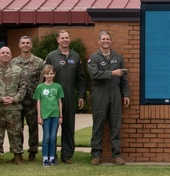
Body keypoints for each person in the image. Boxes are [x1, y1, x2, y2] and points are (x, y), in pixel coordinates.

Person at [44, 30, 87, 164]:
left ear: (69, 39)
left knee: (68, 126)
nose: (65, 40)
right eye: (62, 38)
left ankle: (67, 155)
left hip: (70, 95)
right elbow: (44, 76)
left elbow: (80, 77)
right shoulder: (52, 56)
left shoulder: (75, 56)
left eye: (67, 38)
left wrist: (81, 95)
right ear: (57, 40)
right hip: (54, 97)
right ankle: (52, 156)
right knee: (53, 126)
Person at [88, 31, 129, 165]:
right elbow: (94, 74)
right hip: (100, 93)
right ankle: (96, 155)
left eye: (108, 39)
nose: (105, 41)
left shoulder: (117, 57)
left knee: (115, 125)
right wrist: (111, 73)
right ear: (98, 41)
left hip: (115, 92)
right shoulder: (94, 58)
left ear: (110, 41)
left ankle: (116, 155)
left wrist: (126, 94)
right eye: (103, 39)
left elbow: (123, 78)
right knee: (98, 124)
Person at [0, 46, 27, 166]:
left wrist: (15, 99)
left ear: (11, 55)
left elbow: (23, 87)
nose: (5, 54)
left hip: (14, 108)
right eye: (2, 53)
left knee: (16, 133)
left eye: (7, 53)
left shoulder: (18, 70)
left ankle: (17, 156)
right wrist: (0, 98)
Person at [11, 35, 45, 161]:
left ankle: (32, 152)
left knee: (33, 128)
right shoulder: (13, 62)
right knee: (17, 128)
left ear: (31, 45)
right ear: (19, 45)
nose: (25, 45)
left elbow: (42, 82)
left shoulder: (39, 62)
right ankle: (18, 153)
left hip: (32, 101)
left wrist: (39, 100)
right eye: (23, 43)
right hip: (17, 101)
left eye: (27, 43)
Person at [34, 64, 65, 166]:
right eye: (47, 74)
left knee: (53, 137)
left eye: (51, 73)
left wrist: (61, 115)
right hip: (45, 115)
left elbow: (59, 101)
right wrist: (39, 116)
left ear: (54, 75)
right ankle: (45, 158)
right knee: (46, 137)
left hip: (55, 115)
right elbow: (38, 102)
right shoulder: (40, 87)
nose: (49, 76)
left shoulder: (58, 87)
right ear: (44, 75)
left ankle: (52, 158)